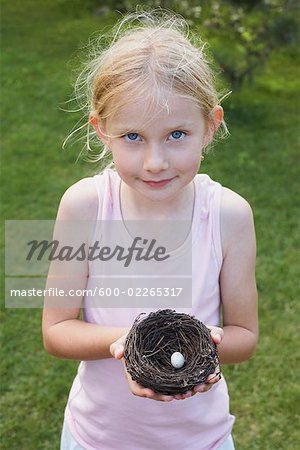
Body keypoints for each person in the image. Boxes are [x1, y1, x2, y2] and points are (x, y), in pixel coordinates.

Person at [42, 10, 258, 450]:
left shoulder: (229, 216)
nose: (155, 162)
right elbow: (57, 329)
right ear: (102, 130)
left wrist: (204, 345)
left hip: (203, 440)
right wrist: (128, 344)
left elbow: (244, 336)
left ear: (210, 126)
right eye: (133, 137)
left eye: (177, 134)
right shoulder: (84, 208)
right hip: (97, 438)